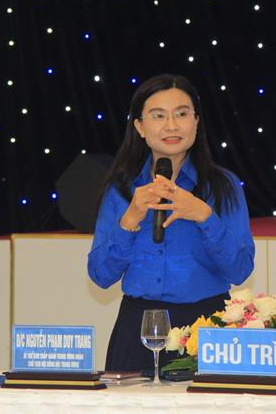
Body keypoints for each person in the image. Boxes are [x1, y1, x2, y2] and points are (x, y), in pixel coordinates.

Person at [88, 74, 255, 371]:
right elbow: (100, 275)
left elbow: (240, 270)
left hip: (207, 326)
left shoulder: (222, 186)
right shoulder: (122, 189)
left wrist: (205, 217)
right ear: (140, 127)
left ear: (196, 122)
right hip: (138, 327)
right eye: (158, 116)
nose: (171, 126)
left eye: (181, 114)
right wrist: (130, 219)